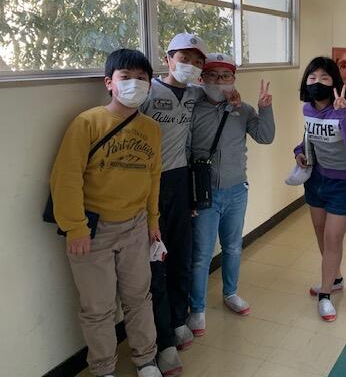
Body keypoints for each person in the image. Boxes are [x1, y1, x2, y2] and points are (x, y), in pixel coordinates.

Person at [50, 49, 163, 377]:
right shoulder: (87, 123)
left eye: (141, 78)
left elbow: (153, 176)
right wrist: (75, 227)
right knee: (97, 308)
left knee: (139, 298)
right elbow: (65, 177)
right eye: (126, 77)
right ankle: (103, 369)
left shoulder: (151, 128)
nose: (134, 83)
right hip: (92, 230)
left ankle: (146, 360)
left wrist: (152, 221)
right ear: (109, 83)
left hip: (136, 227)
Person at [187, 53, 275, 334]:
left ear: (234, 79)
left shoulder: (243, 110)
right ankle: (197, 309)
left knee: (233, 247)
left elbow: (265, 136)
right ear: (202, 79)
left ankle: (230, 293)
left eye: (225, 76)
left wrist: (265, 108)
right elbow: (184, 149)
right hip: (204, 194)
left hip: (237, 190)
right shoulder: (192, 109)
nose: (219, 81)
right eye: (212, 76)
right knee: (201, 255)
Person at [140, 32, 207, 376]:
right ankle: (163, 340)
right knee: (156, 262)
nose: (190, 66)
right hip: (149, 184)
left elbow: (219, 92)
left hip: (181, 181)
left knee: (182, 253)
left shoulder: (195, 93)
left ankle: (179, 319)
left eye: (197, 62)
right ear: (167, 59)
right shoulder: (148, 91)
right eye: (184, 58)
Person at [294, 57, 346, 322]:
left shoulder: (345, 111)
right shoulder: (308, 109)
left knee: (333, 239)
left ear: (335, 82)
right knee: (321, 234)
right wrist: (299, 152)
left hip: (343, 183)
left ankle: (325, 295)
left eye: (324, 77)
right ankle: (335, 278)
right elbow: (308, 138)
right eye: (312, 78)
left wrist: (344, 115)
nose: (317, 82)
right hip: (317, 179)